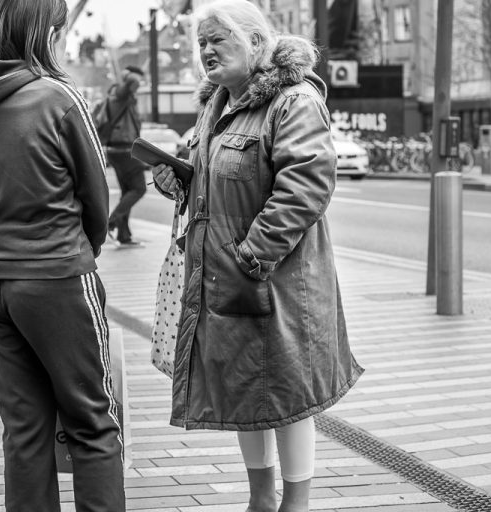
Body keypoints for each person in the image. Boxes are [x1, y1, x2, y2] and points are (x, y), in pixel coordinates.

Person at [152, 1, 364, 511]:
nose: (205, 50)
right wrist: (180, 178)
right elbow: (216, 178)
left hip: (279, 281)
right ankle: (260, 498)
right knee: (245, 389)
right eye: (200, 42)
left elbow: (306, 186)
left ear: (255, 41)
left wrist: (252, 256)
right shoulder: (218, 103)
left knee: (288, 396)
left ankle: (296, 502)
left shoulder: (293, 101)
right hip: (230, 276)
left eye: (217, 39)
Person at [0, 1, 125, 510]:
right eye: (58, 30)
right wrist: (83, 254)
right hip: (56, 274)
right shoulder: (58, 97)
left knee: (24, 430)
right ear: (43, 33)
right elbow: (98, 197)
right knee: (93, 422)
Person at [97, 65, 146, 247]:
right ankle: (111, 221)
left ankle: (124, 235)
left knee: (127, 191)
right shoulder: (121, 92)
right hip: (125, 150)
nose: (140, 84)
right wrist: (130, 75)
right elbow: (133, 81)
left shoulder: (115, 95)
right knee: (139, 188)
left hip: (116, 150)